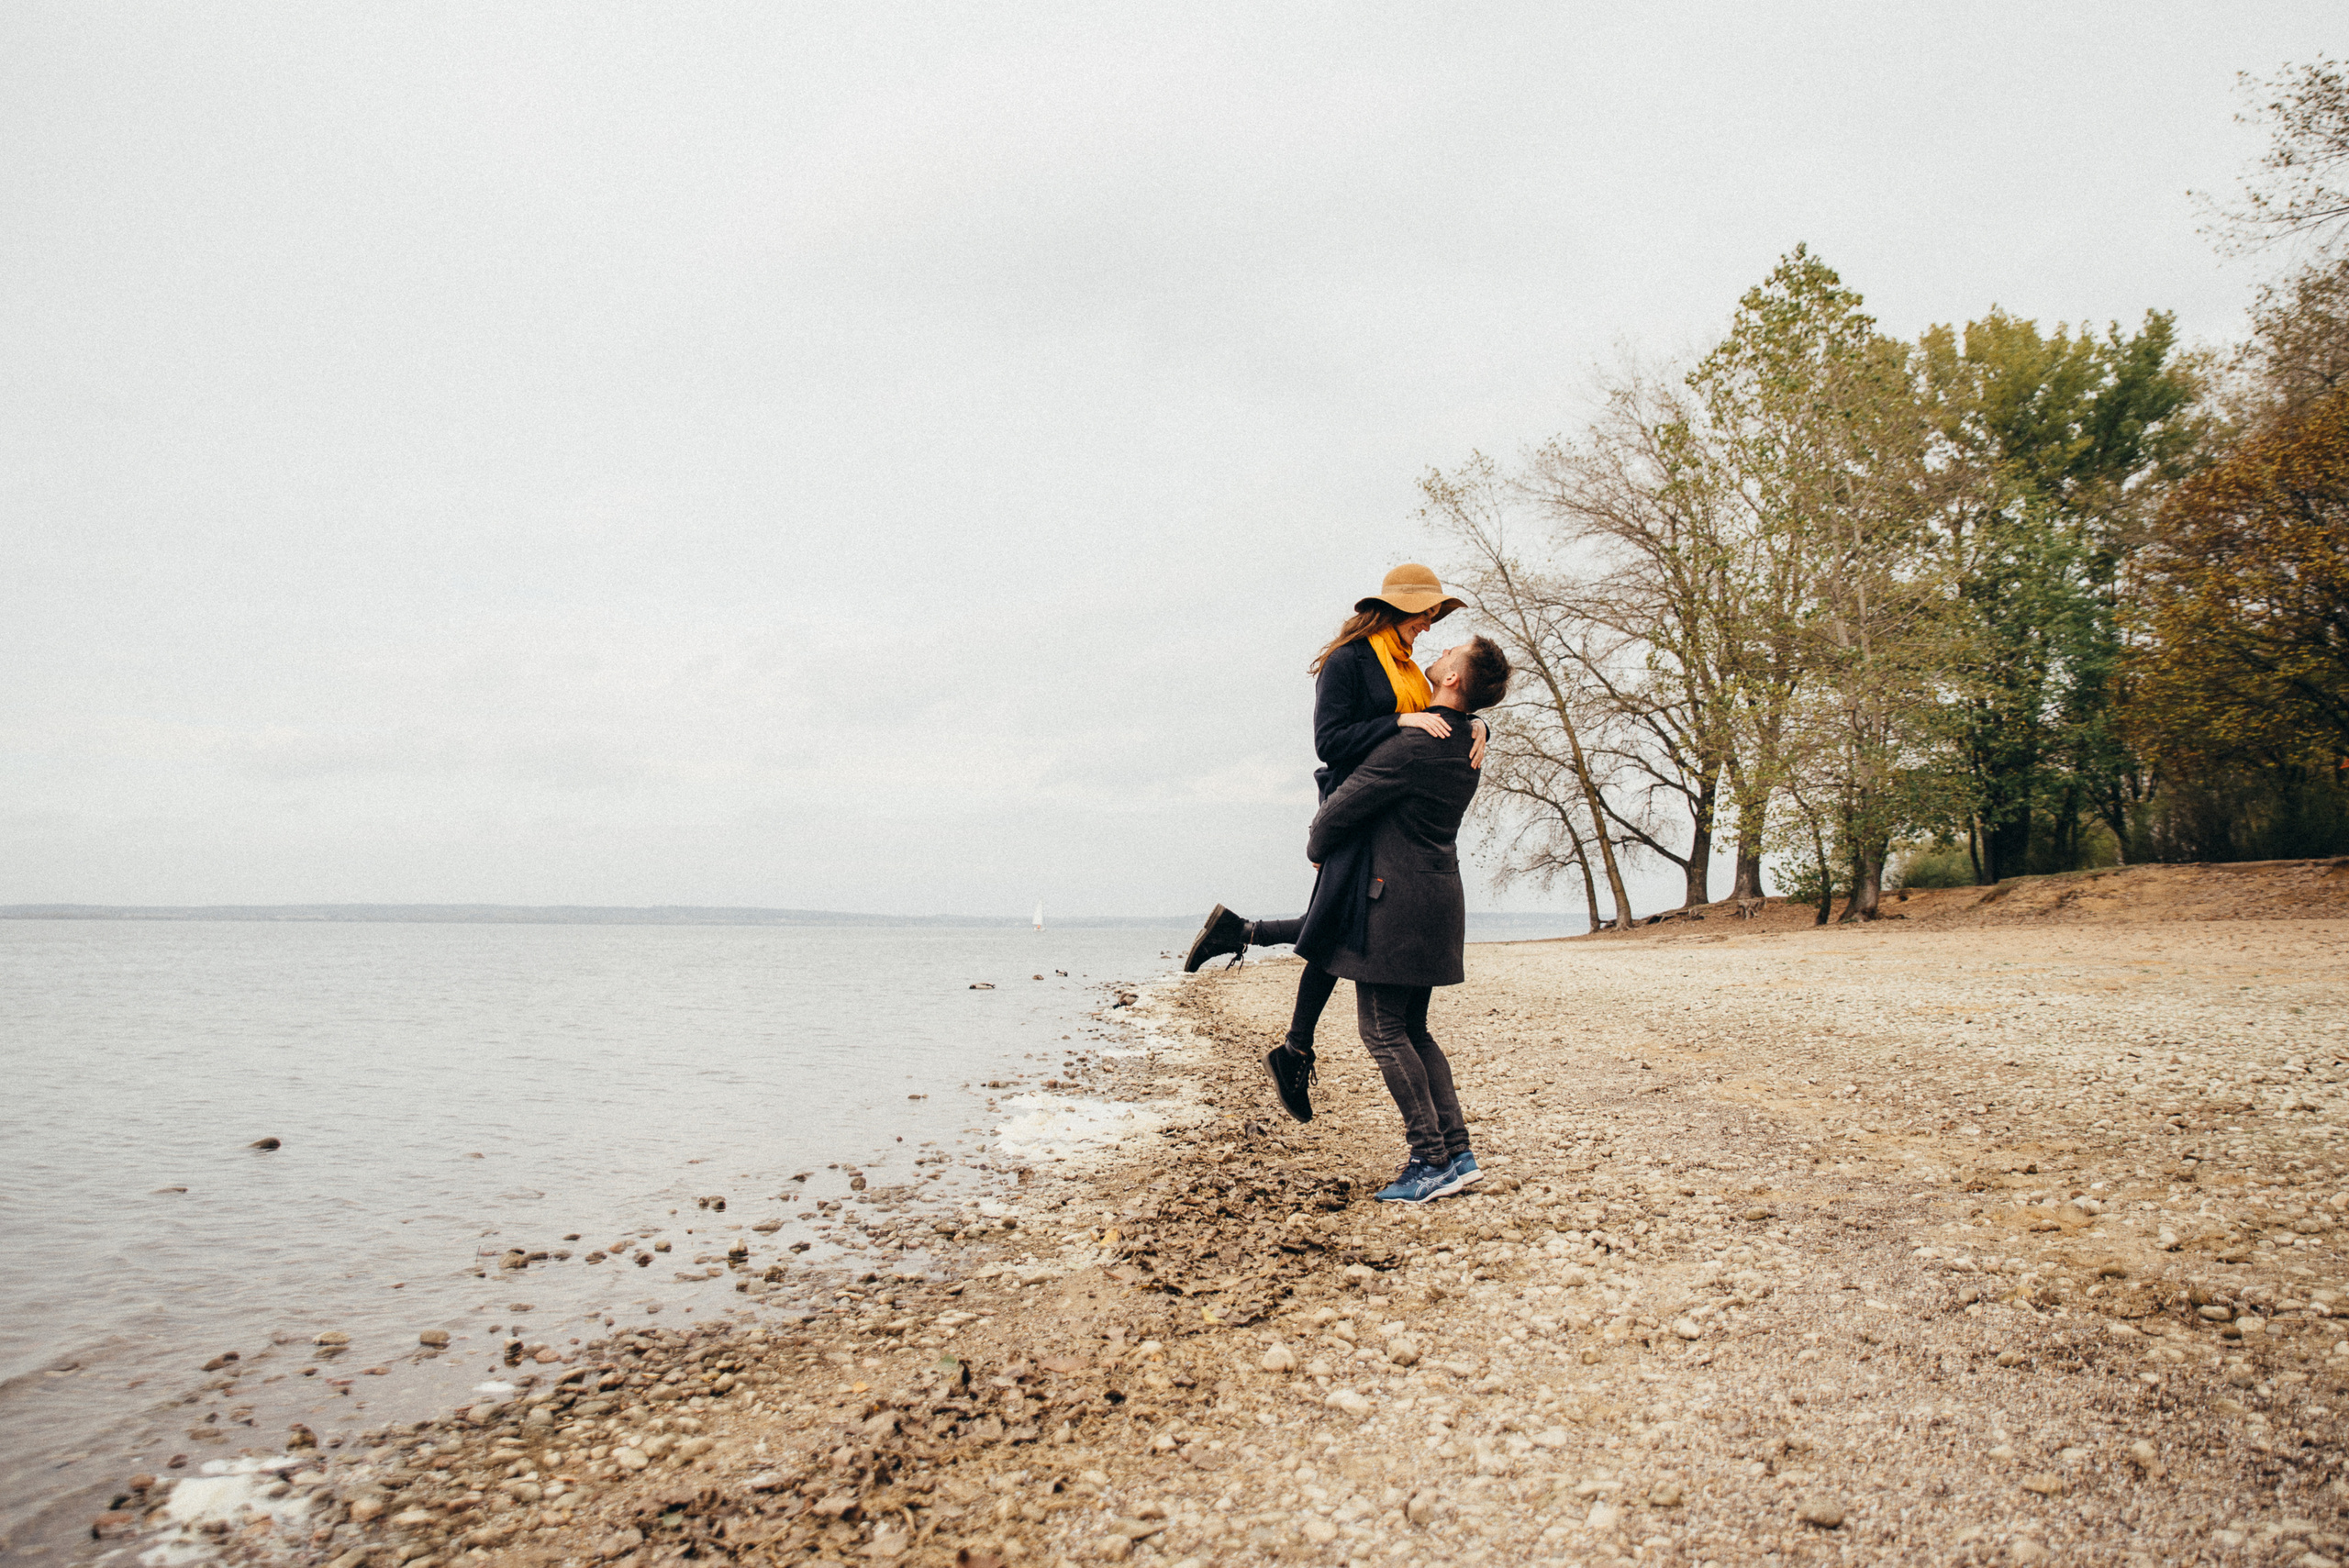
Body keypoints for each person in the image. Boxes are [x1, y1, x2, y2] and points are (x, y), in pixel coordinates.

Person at [1181, 564, 1485, 1121]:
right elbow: (1330, 741)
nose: (1429, 625)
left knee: (1339, 921)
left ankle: (1248, 951)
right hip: (1352, 801)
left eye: (1434, 617)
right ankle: (1290, 1043)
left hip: (1385, 809)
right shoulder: (1348, 661)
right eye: (1425, 614)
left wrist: (1478, 725)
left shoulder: (1409, 667)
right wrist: (1400, 725)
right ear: (1398, 609)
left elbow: (1445, 712)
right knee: (1338, 922)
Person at [1305, 633, 1512, 1202]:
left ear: (1452, 680)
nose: (1439, 651)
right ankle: (1458, 1153)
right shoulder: (1467, 741)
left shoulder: (1415, 745)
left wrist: (1318, 848)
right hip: (1440, 901)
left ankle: (1429, 1159)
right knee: (1413, 1029)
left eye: (1451, 652)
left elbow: (1335, 816)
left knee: (1383, 1029)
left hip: (1394, 906)